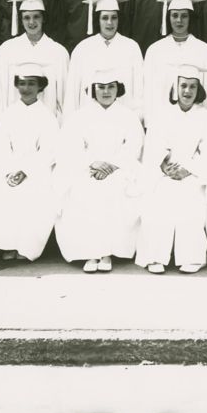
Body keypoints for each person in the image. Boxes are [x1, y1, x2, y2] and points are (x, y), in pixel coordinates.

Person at [54, 68, 145, 272]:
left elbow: (133, 146)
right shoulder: (80, 116)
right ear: (93, 90)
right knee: (82, 190)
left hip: (120, 168)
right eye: (101, 87)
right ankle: (90, 253)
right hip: (87, 167)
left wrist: (112, 165)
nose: (106, 92)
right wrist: (92, 163)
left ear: (118, 89)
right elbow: (71, 146)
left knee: (113, 191)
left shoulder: (127, 116)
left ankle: (106, 253)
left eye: (111, 87)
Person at [0, 62, 60, 262]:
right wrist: (10, 170)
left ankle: (26, 247)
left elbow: (49, 151)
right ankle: (7, 244)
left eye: (32, 84)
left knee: (33, 196)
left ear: (40, 87)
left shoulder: (47, 116)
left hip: (36, 171)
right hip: (8, 169)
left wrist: (25, 171)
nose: (27, 88)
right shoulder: (8, 114)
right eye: (22, 84)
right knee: (2, 192)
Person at [135, 66, 207, 274]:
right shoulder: (162, 115)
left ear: (198, 90)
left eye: (192, 86)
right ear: (175, 88)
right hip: (164, 173)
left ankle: (191, 257)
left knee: (190, 200)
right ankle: (155, 256)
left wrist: (188, 170)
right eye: (183, 86)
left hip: (192, 174)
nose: (187, 91)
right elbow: (154, 145)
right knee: (159, 199)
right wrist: (164, 166)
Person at [141, 0, 207, 127]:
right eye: (174, 15)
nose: (179, 20)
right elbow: (148, 91)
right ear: (168, 17)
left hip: (195, 121)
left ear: (190, 18)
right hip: (163, 120)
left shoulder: (204, 50)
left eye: (184, 16)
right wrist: (150, 121)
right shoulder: (155, 50)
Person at [64, 0, 142, 118]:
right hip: (89, 120)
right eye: (105, 18)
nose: (110, 23)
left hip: (122, 120)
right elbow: (72, 94)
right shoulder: (82, 49)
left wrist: (136, 118)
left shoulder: (131, 48)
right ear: (97, 20)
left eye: (114, 17)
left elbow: (139, 90)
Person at [0, 0, 69, 119]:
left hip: (47, 122)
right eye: (26, 17)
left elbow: (65, 97)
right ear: (20, 20)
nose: (31, 22)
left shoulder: (58, 52)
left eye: (36, 17)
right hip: (14, 121)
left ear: (43, 18)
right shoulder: (6, 50)